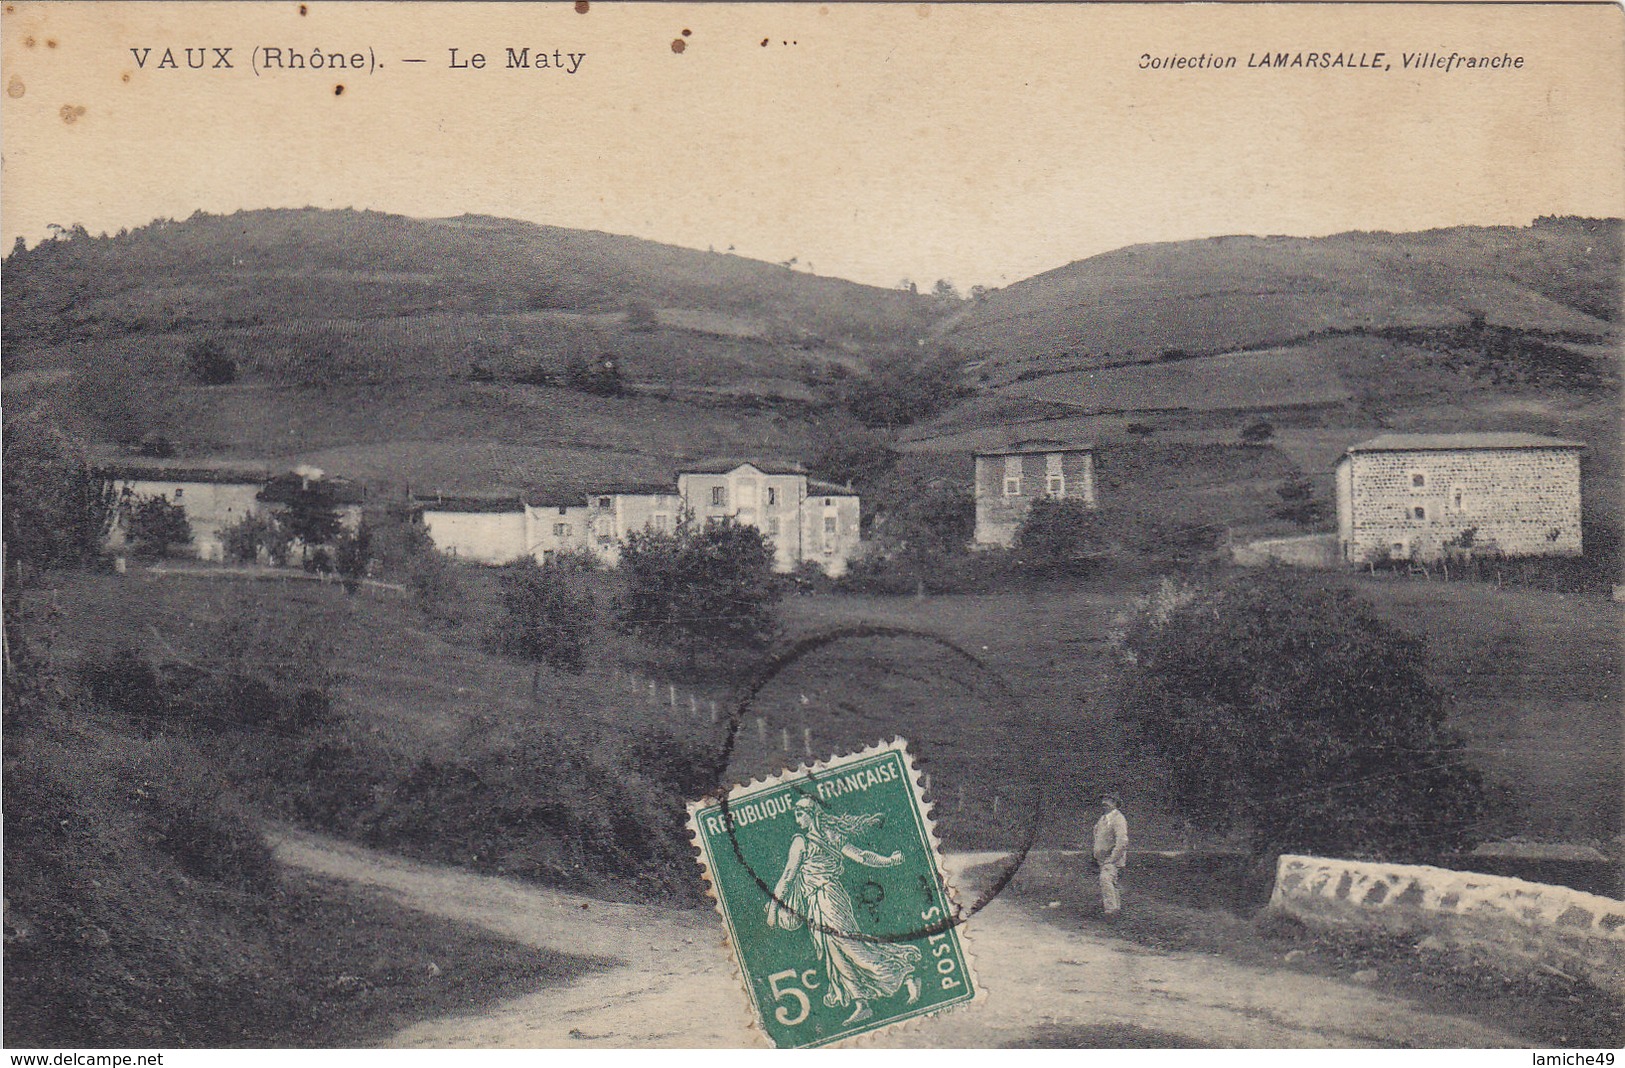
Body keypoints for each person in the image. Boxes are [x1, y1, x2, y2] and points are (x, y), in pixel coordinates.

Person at [767, 797, 923, 1025]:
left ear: (811, 814)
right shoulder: (831, 836)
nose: (797, 819)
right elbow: (862, 856)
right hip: (820, 900)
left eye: (800, 814)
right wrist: (888, 860)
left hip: (827, 897)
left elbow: (788, 877)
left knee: (851, 946)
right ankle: (861, 1004)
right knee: (835, 952)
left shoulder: (801, 842)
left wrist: (772, 910)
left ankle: (904, 975)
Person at [1092, 792, 1129, 917]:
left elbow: (1122, 841)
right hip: (1102, 859)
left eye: (1109, 800)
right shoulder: (1103, 819)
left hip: (1111, 858)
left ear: (1116, 803)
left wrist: (1112, 858)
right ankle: (1116, 910)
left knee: (1106, 879)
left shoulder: (1118, 819)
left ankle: (1111, 911)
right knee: (1112, 883)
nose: (1105, 803)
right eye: (1104, 799)